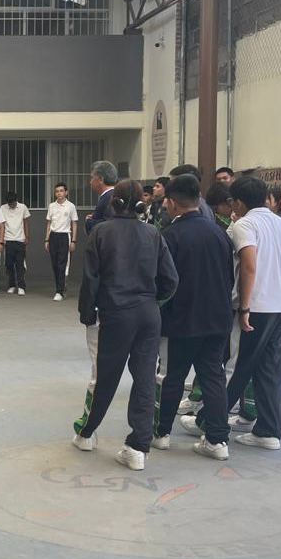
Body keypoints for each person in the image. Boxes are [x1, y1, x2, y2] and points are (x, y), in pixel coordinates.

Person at [74, 179, 179, 471]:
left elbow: (91, 280)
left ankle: (86, 434)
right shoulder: (153, 233)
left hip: (116, 313)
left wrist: (87, 313)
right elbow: (171, 279)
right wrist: (152, 301)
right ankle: (138, 448)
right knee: (145, 378)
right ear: (142, 205)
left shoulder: (100, 232)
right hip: (148, 314)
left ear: (114, 202)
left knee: (107, 377)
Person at [205, 176, 281, 450]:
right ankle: (268, 432)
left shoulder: (245, 224)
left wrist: (245, 307)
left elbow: (249, 266)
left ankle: (209, 422)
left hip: (257, 308)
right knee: (269, 368)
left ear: (238, 202)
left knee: (239, 367)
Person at [153, 174, 233, 460]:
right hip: (218, 319)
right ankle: (217, 440)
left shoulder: (170, 236)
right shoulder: (220, 233)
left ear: (173, 203)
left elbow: (164, 281)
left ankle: (161, 433)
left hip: (182, 320)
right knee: (213, 376)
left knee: (172, 376)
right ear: (198, 199)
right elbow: (229, 277)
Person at [44, 182, 78, 301]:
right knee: (55, 264)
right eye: (57, 191)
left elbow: (74, 223)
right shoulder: (51, 206)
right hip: (53, 236)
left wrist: (73, 240)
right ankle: (61, 287)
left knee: (62, 264)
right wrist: (46, 239)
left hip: (65, 236)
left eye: (61, 191)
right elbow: (49, 223)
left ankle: (59, 291)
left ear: (66, 192)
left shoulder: (71, 206)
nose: (59, 193)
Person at [1, 192, 30, 296]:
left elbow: (26, 222)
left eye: (13, 203)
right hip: (8, 239)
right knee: (9, 264)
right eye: (9, 203)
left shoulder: (23, 207)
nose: (11, 205)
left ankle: (21, 286)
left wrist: (27, 236)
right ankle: (12, 285)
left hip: (20, 239)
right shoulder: (2, 208)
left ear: (16, 200)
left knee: (20, 264)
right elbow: (1, 224)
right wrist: (1, 239)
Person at [85, 160, 117, 234]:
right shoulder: (113, 195)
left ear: (101, 179)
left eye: (92, 178)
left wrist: (89, 221)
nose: (90, 182)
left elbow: (108, 225)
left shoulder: (108, 198)